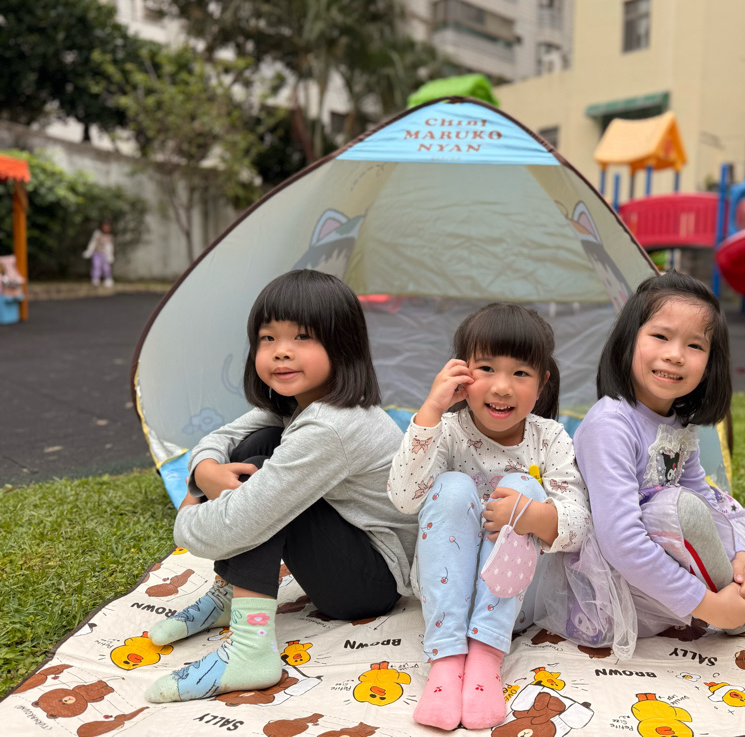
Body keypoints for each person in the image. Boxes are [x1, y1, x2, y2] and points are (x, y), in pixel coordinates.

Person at [144, 270, 417, 703]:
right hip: (351, 553)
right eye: (268, 338)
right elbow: (221, 437)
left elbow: (238, 523)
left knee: (259, 476)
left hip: (372, 584)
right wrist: (203, 471)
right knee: (258, 445)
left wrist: (189, 510)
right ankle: (230, 597)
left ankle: (250, 652)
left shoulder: (331, 426)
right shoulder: (299, 402)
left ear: (342, 346)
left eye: (302, 337)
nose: (281, 351)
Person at [568, 271, 745, 656]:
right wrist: (709, 606)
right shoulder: (610, 425)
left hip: (658, 572)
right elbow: (621, 542)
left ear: (711, 362)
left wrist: (738, 554)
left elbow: (704, 497)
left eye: (695, 345)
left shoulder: (678, 423)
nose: (675, 355)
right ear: (628, 341)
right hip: (606, 592)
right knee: (677, 508)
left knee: (701, 503)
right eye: (660, 336)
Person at [388, 303, 590, 731]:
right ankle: (447, 660)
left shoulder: (549, 437)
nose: (502, 387)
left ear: (542, 383)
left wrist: (531, 514)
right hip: (445, 601)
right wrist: (431, 410)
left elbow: (578, 525)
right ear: (461, 373)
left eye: (520, 373)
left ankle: (484, 658)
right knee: (452, 487)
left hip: (517, 603)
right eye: (486, 368)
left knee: (524, 487)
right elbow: (404, 499)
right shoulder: (446, 430)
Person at [83, 220, 115, 288]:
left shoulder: (110, 236)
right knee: (96, 265)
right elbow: (93, 243)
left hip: (105, 254)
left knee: (106, 267)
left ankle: (107, 279)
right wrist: (89, 251)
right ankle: (95, 279)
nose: (106, 228)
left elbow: (110, 246)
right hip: (97, 253)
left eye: (108, 227)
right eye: (105, 226)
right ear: (101, 227)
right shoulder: (97, 234)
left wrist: (110, 255)